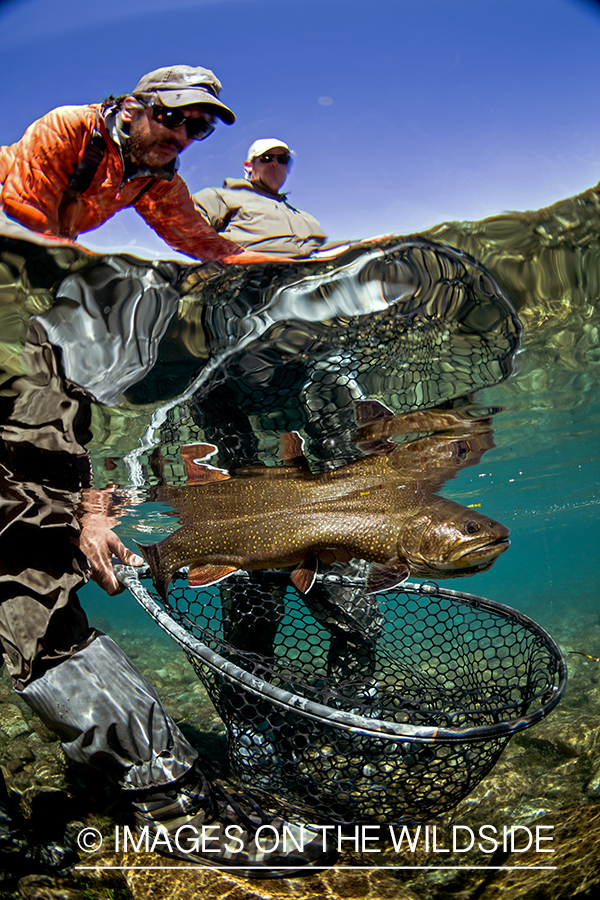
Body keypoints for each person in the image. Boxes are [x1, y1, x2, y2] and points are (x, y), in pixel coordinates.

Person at [0, 66, 279, 264]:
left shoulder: (160, 181)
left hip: (44, 243)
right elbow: (25, 220)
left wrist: (283, 266)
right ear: (131, 109)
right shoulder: (69, 128)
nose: (181, 137)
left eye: (197, 128)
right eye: (170, 116)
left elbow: (204, 243)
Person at [193, 138, 326, 257]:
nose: (275, 163)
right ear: (249, 165)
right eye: (267, 157)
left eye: (282, 159)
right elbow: (184, 230)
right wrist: (232, 257)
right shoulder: (220, 197)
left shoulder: (306, 218)